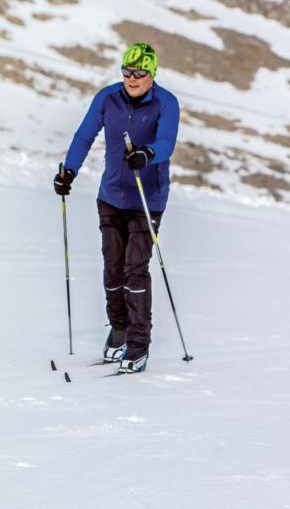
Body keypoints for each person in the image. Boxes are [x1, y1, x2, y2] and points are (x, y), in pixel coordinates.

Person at [53, 42, 179, 374]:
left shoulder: (167, 103)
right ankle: (119, 329)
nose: (132, 78)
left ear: (152, 73)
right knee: (112, 268)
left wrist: (148, 154)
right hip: (111, 196)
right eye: (127, 71)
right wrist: (69, 170)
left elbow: (166, 141)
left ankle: (139, 345)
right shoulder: (108, 98)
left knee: (135, 270)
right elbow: (84, 135)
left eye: (139, 72)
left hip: (146, 199)